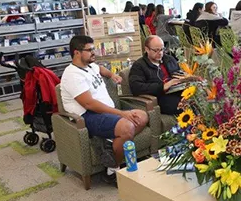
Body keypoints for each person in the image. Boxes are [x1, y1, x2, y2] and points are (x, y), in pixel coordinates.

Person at [60, 35, 148, 185]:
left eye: (94, 49)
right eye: (90, 50)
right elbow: (89, 104)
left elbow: (100, 69)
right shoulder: (72, 75)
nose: (94, 53)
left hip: (106, 112)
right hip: (88, 116)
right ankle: (112, 170)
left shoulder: (90, 66)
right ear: (77, 53)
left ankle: (111, 142)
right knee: (127, 127)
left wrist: (112, 75)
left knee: (142, 116)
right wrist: (122, 114)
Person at [128, 36, 187, 115]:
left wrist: (184, 79)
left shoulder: (169, 59)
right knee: (183, 105)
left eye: (162, 49)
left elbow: (178, 73)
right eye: (156, 50)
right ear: (147, 49)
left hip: (178, 91)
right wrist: (162, 86)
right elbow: (136, 87)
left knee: (199, 99)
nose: (160, 53)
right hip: (160, 97)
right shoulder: (139, 66)